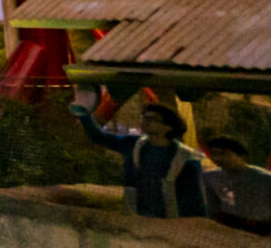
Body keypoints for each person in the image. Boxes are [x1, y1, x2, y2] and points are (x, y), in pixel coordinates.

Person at [72, 85, 207, 219]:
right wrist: (84, 113)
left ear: (168, 127)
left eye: (152, 119)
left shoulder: (186, 158)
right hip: (136, 218)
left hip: (172, 224)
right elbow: (99, 137)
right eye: (144, 117)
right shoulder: (134, 145)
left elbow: (194, 201)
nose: (144, 121)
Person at [201, 135, 271, 237]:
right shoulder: (210, 177)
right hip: (230, 228)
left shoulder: (268, 179)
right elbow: (213, 208)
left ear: (241, 155)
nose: (218, 158)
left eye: (224, 154)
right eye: (214, 154)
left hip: (265, 229)